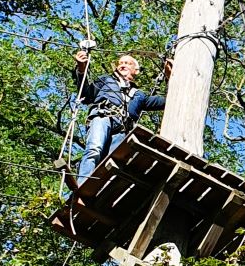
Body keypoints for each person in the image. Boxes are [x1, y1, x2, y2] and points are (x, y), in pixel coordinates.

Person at [72, 50, 172, 185]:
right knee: (94, 149)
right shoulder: (105, 81)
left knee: (114, 160)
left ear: (136, 70)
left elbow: (168, 102)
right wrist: (81, 69)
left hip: (122, 129)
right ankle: (83, 183)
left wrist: (169, 78)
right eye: (120, 63)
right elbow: (85, 95)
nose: (122, 65)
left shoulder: (139, 95)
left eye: (127, 63)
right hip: (103, 116)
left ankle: (105, 189)